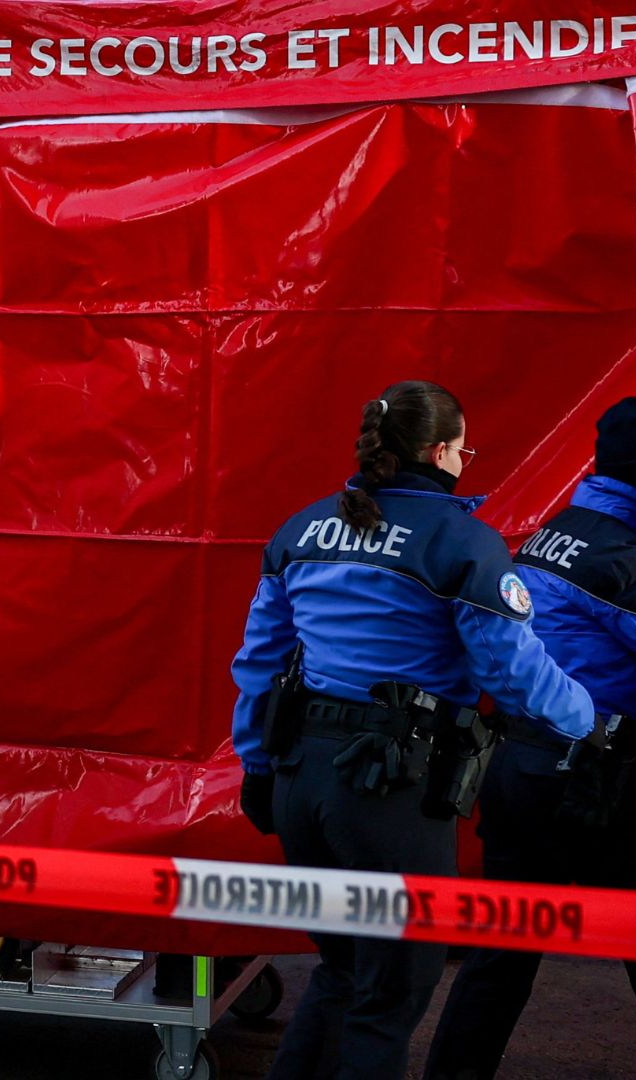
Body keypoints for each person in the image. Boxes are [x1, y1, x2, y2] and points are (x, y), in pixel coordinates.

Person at [231, 379, 597, 1080]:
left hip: (299, 775)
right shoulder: (461, 542)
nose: (464, 460)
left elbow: (259, 662)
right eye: (463, 450)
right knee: (393, 988)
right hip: (388, 788)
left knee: (343, 970)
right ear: (439, 452)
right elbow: (510, 671)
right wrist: (586, 720)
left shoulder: (300, 530)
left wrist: (255, 763)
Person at [422, 397, 636, 1080]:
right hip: (586, 782)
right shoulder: (623, 560)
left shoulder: (561, 530)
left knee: (500, 959)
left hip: (522, 768)